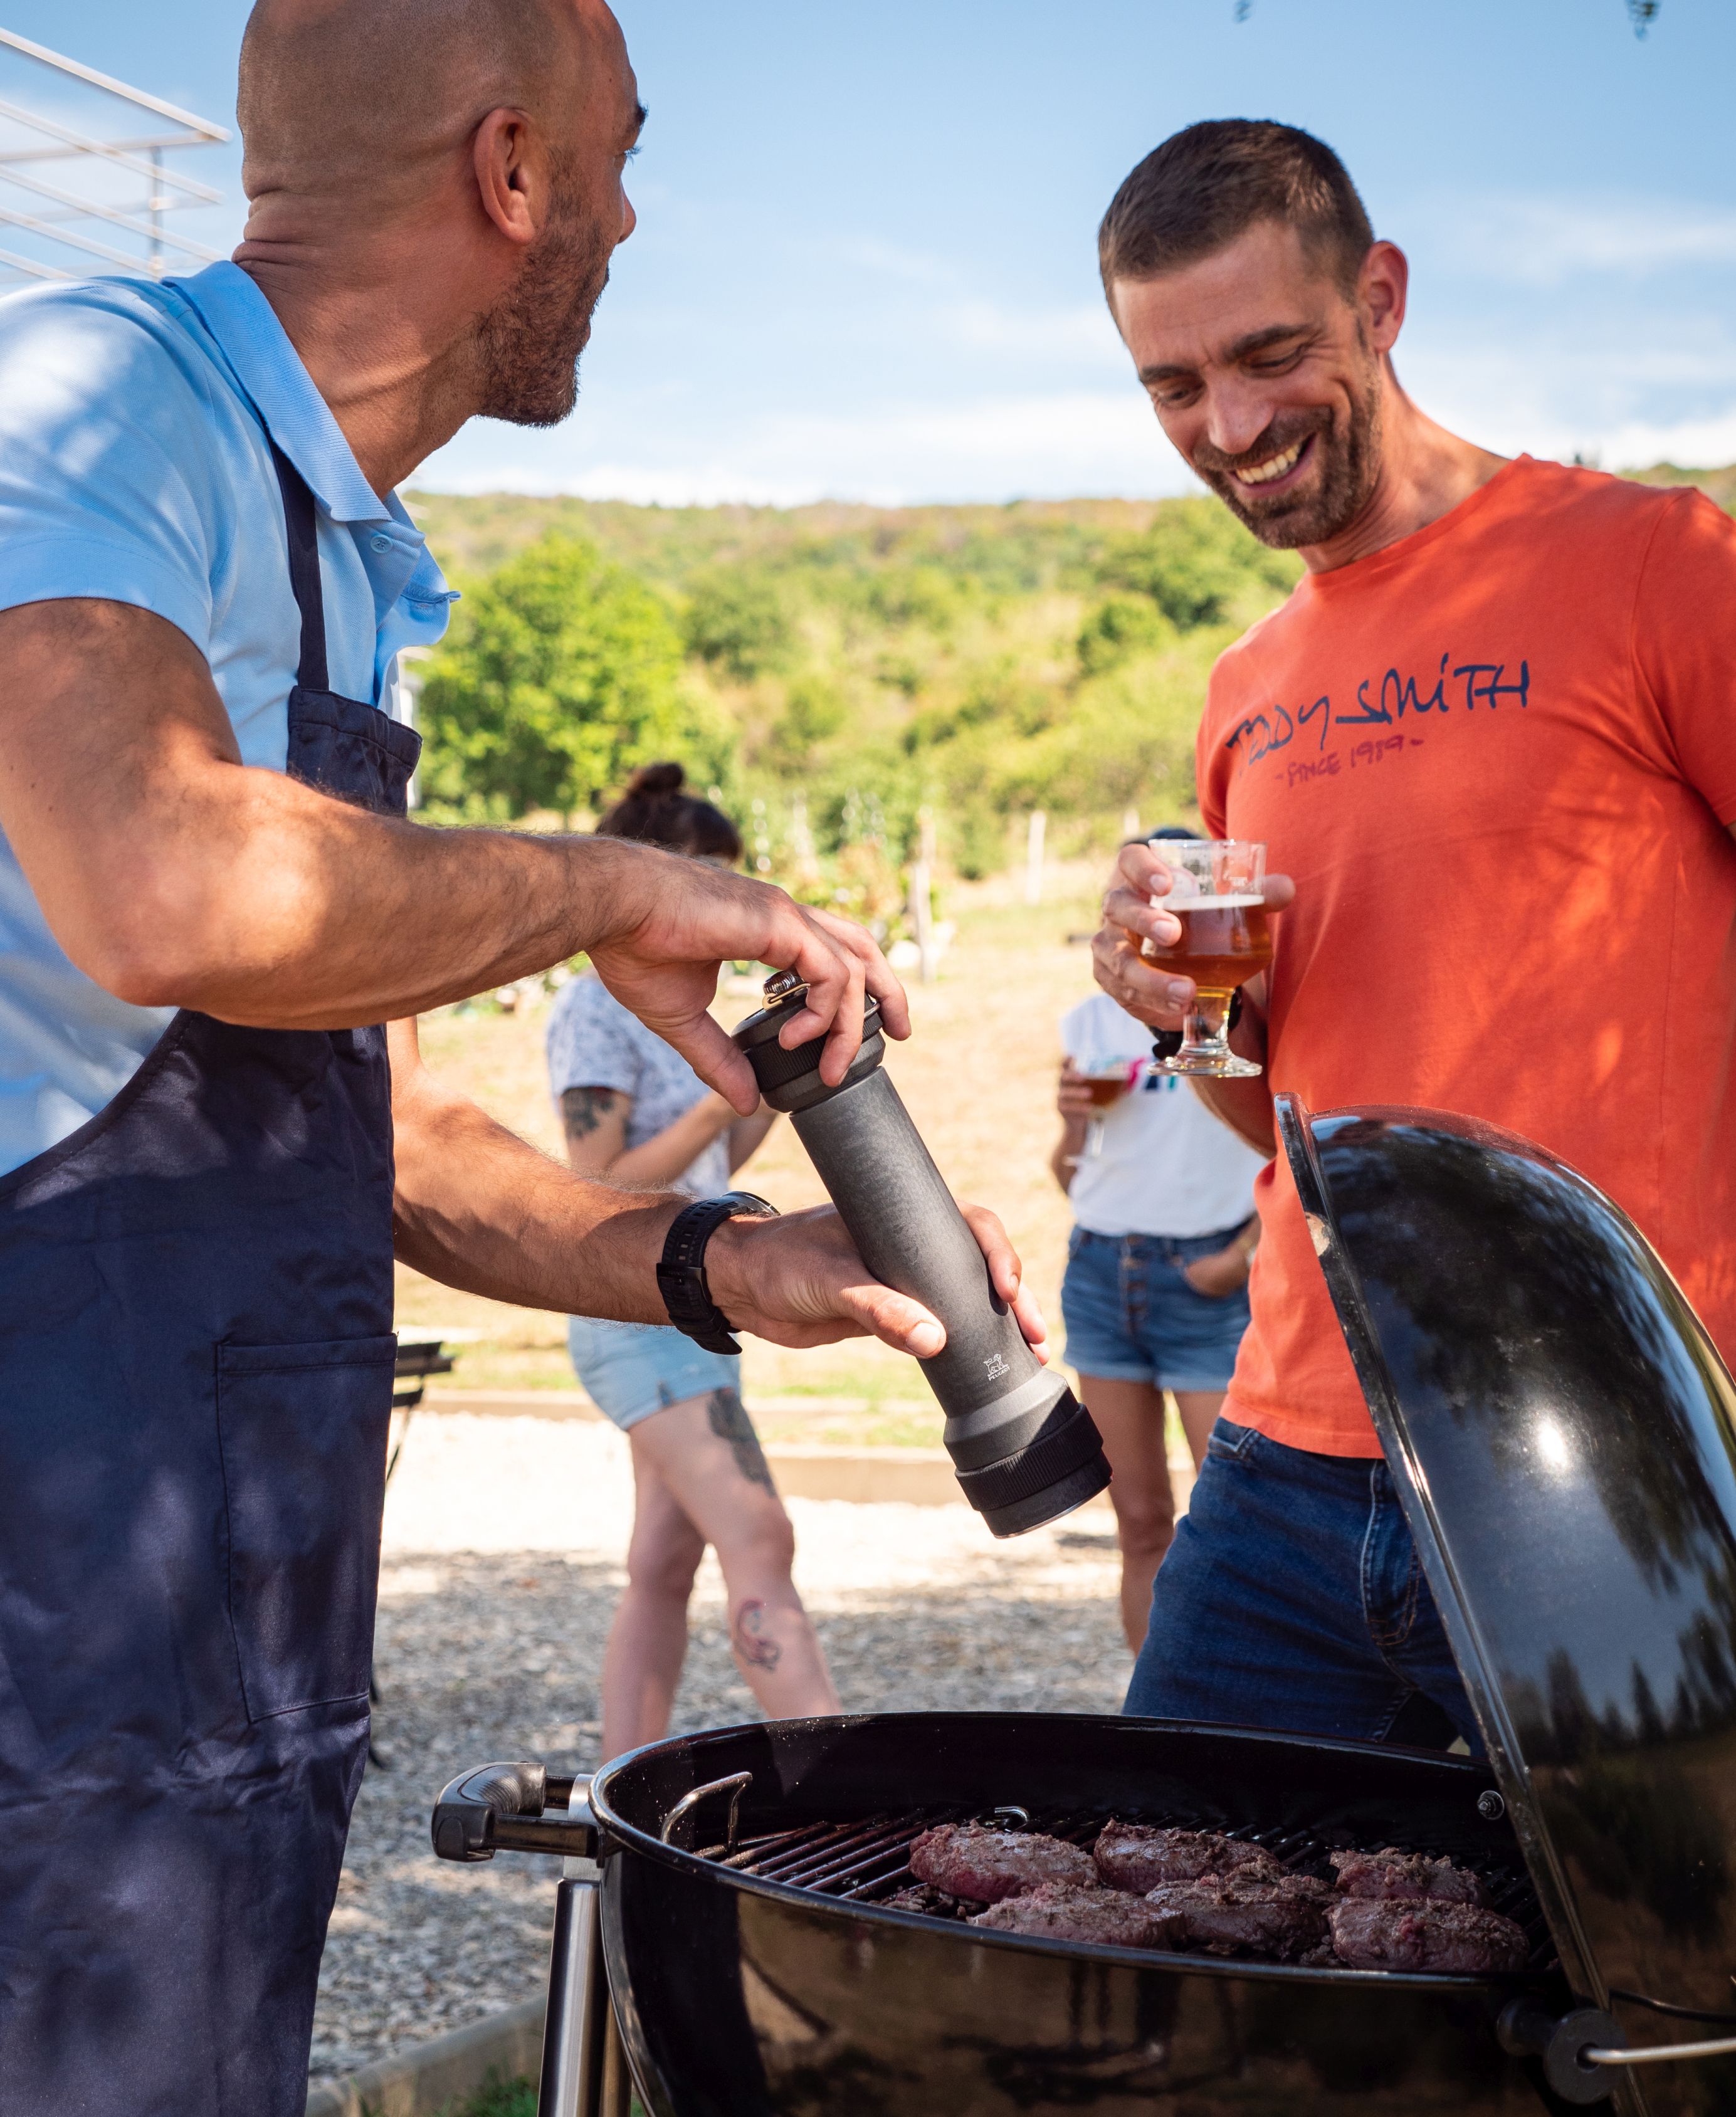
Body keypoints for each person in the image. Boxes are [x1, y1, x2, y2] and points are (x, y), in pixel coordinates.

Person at [0, 6, 1042, 2111]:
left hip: (222, 1683)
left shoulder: (342, 571)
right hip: (52, 1667)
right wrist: (598, 889)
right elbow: (159, 879)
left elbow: (350, 1140)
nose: (638, 213)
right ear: (513, 173)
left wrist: (726, 1265)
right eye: (622, 156)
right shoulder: (90, 394)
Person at [1090, 118, 1736, 1752]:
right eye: (1174, 385)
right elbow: (1281, 1100)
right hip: (1288, 1450)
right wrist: (1183, 1010)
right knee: (1185, 1958)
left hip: (1598, 1453)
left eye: (1268, 353)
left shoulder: (1660, 568)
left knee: (1629, 1994)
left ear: (1377, 298)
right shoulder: (1248, 690)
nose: (1227, 427)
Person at [547, 764, 839, 1755]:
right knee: (761, 1537)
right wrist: (720, 1098)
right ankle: (837, 1787)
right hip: (636, 1303)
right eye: (713, 886)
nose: (732, 917)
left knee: (661, 1562)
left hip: (688, 1299)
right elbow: (605, 1179)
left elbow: (718, 1158)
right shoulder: (595, 1009)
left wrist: (758, 1088)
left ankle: (613, 1789)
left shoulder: (682, 1000)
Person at [1053, 831, 1264, 1654]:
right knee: (1139, 1521)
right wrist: (1071, 1121)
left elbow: (1281, 1138)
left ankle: (1239, 1730)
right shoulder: (1086, 1017)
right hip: (1103, 1269)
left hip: (1205, 1275)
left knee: (1234, 1533)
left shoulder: (1235, 1003)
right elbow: (1070, 1171)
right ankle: (1151, 1732)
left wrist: (1240, 1253)